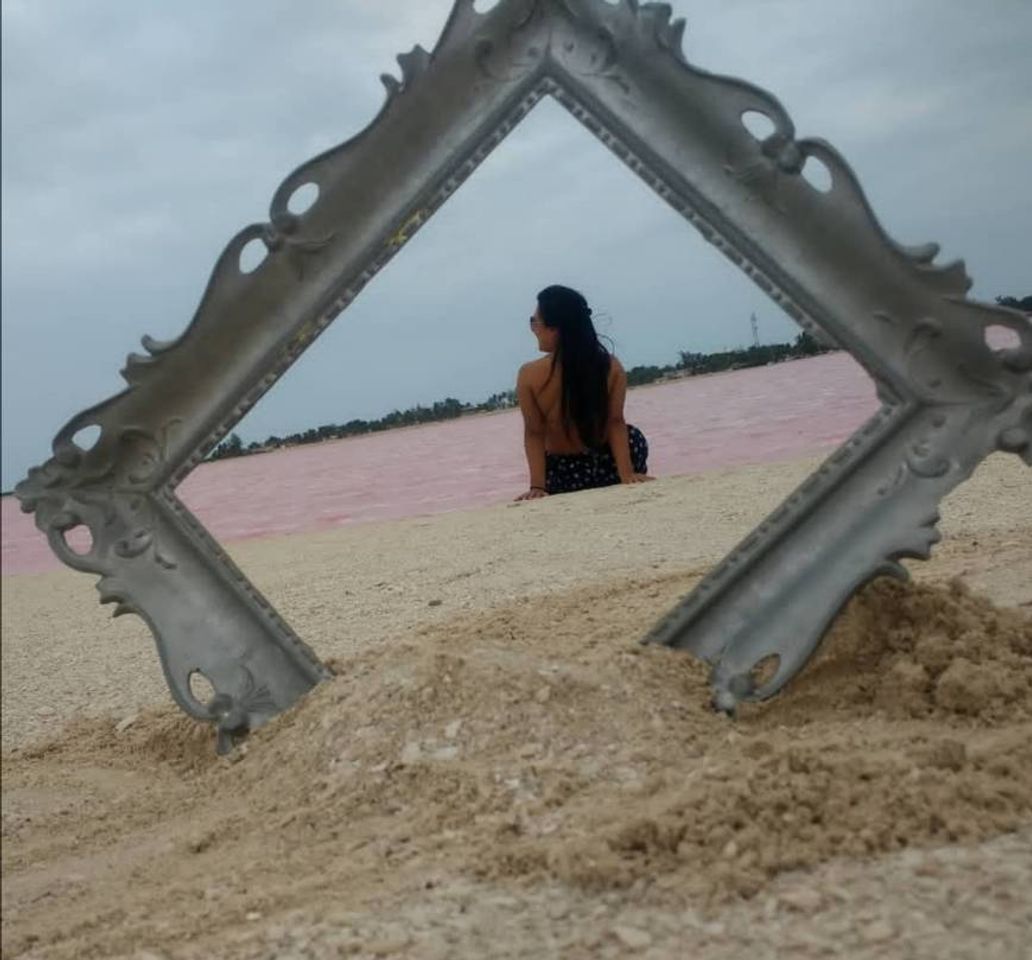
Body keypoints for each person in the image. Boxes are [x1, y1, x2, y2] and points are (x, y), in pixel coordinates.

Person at [514, 285, 652, 501]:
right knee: (633, 436)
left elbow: (534, 433)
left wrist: (538, 487)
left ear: (554, 328)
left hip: (563, 477)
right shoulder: (610, 366)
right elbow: (615, 422)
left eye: (534, 321)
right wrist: (626, 475)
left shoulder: (529, 375)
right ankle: (626, 473)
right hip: (607, 468)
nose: (533, 328)